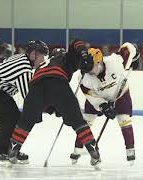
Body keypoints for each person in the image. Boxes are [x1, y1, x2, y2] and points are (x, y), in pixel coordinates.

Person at [7, 39, 102, 169]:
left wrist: (54, 107)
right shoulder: (66, 59)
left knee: (25, 122)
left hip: (36, 86)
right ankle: (93, 151)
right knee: (78, 121)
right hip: (58, 82)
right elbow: (76, 42)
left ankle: (13, 151)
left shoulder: (41, 64)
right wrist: (83, 54)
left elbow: (46, 95)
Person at [0, 40, 49, 166]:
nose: (43, 60)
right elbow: (29, 96)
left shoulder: (22, 57)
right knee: (8, 120)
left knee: (14, 118)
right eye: (42, 56)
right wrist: (45, 110)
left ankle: (11, 151)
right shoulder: (24, 69)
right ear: (33, 55)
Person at [69, 43, 140, 166]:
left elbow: (128, 47)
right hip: (98, 96)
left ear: (99, 62)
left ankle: (130, 150)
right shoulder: (84, 77)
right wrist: (103, 105)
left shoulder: (115, 62)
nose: (90, 72)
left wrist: (135, 55)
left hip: (120, 94)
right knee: (87, 121)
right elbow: (90, 95)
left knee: (124, 119)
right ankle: (78, 149)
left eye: (91, 68)